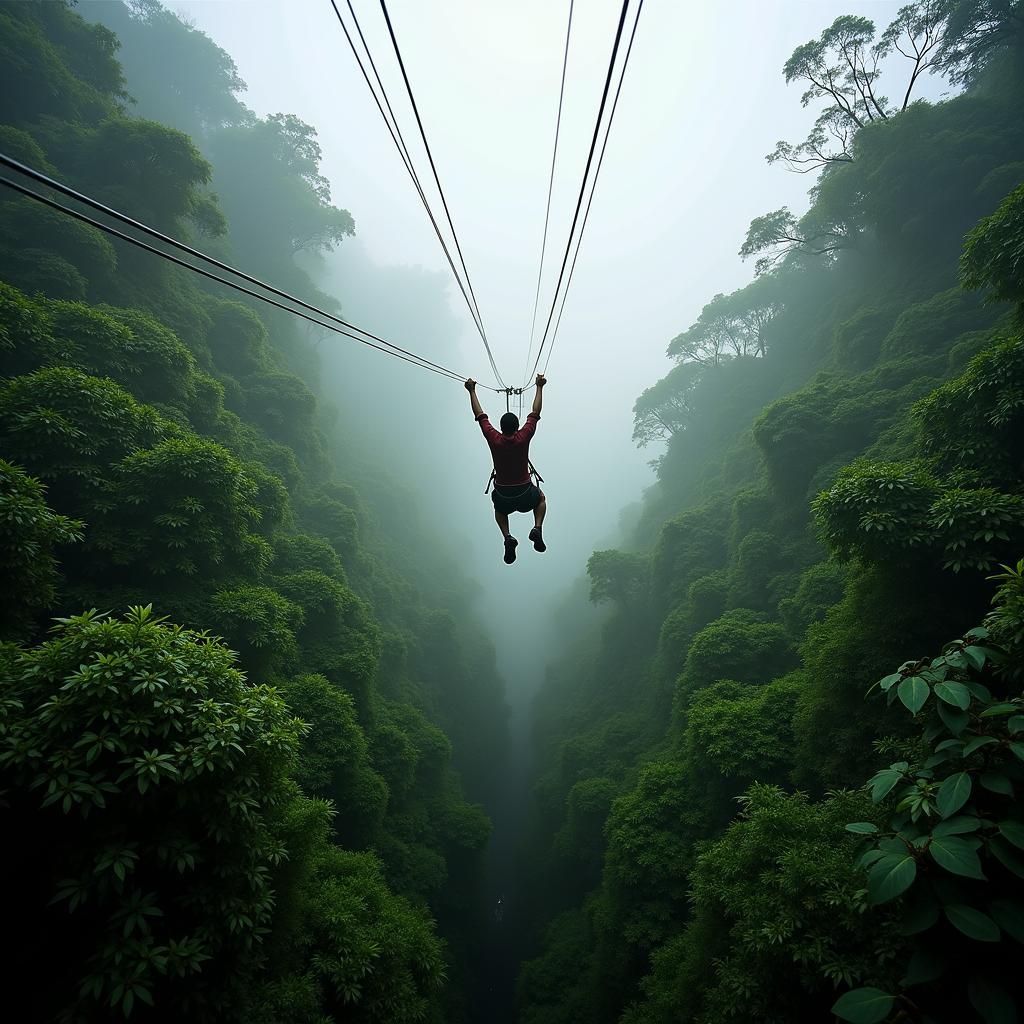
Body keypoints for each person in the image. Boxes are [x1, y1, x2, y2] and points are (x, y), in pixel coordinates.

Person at [465, 373, 547, 564]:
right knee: (541, 499)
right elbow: (535, 412)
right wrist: (539, 387)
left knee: (499, 510)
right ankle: (537, 528)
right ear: (517, 427)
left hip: (504, 495)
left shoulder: (493, 437)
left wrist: (472, 391)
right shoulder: (524, 435)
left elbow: (480, 415)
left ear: (501, 428)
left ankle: (507, 537)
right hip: (526, 492)